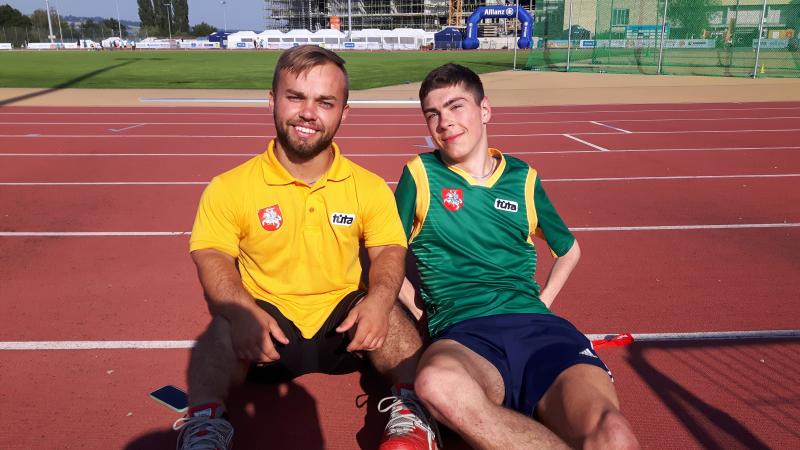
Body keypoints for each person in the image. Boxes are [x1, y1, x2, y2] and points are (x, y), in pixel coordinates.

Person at [175, 45, 437, 450]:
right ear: (272, 101)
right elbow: (212, 256)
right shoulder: (229, 186)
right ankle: (205, 422)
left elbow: (388, 251)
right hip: (266, 329)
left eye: (325, 102)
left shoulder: (367, 185)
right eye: (295, 97)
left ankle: (413, 413)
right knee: (218, 331)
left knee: (398, 321)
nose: (308, 113)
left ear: (343, 112)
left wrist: (381, 302)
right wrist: (242, 313)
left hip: (345, 324)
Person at [394, 63, 640, 449]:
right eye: (433, 114)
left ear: (485, 110)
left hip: (541, 331)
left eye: (456, 107)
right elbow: (386, 250)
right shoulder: (421, 174)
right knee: (436, 384)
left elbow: (568, 249)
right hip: (465, 335)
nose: (444, 122)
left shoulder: (523, 178)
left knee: (614, 435)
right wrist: (418, 307)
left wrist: (543, 300)